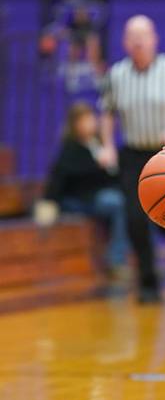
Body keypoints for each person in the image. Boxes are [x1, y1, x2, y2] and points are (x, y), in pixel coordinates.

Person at [98, 15, 165, 303]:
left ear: (154, 39)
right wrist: (107, 145)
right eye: (132, 36)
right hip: (132, 154)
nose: (138, 41)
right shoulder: (116, 74)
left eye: (143, 35)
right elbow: (107, 111)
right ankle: (148, 282)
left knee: (163, 214)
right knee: (134, 217)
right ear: (125, 42)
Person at [35, 101, 129, 277]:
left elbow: (111, 176)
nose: (90, 123)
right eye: (84, 120)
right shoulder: (71, 148)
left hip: (97, 197)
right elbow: (61, 178)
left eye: (90, 118)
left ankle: (136, 258)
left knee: (131, 202)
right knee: (116, 202)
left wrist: (112, 166)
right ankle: (116, 260)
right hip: (78, 200)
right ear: (75, 124)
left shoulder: (98, 145)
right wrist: (48, 202)